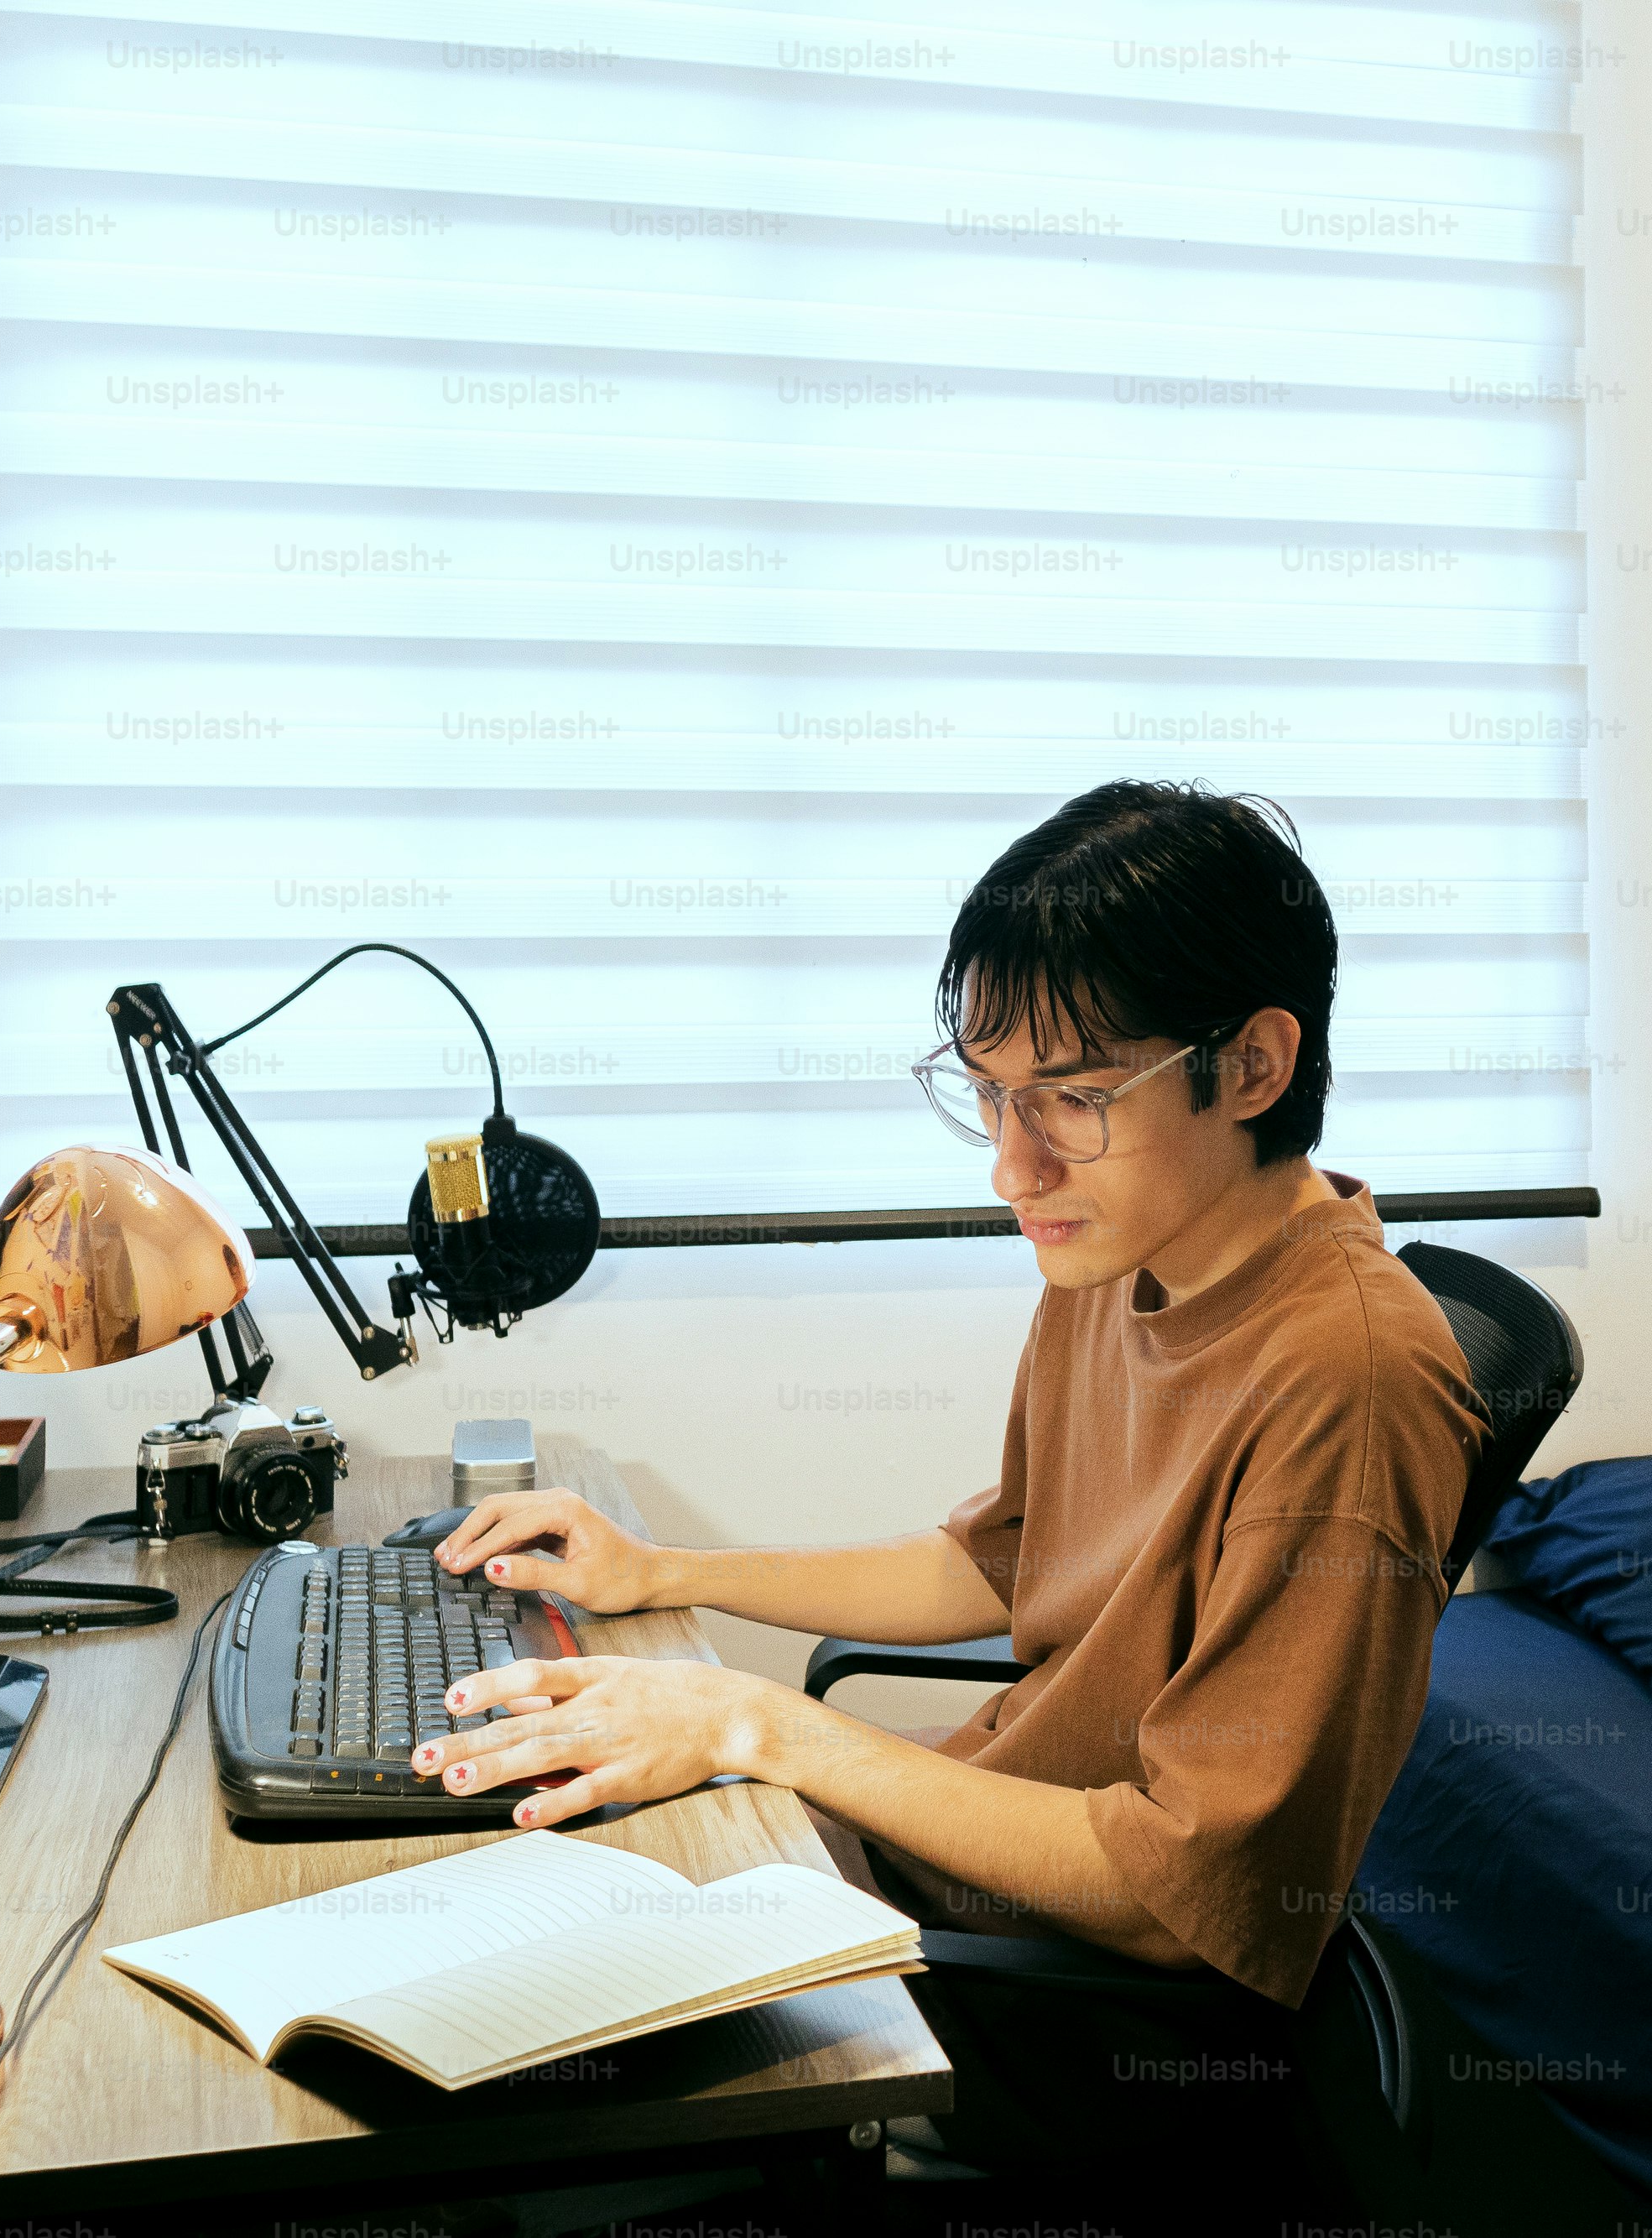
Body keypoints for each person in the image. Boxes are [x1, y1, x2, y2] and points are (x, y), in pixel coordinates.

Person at [415, 780, 1483, 2168]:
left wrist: (767, 1729)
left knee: (527, 2099)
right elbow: (1002, 1557)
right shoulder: (1129, 1244)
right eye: (989, 1098)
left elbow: (1186, 1896)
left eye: (1075, 1100)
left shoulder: (1348, 1380)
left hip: (1099, 2025)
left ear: (1257, 1066)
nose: (1011, 1166)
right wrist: (659, 1570)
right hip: (967, 1896)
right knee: (497, 1884)